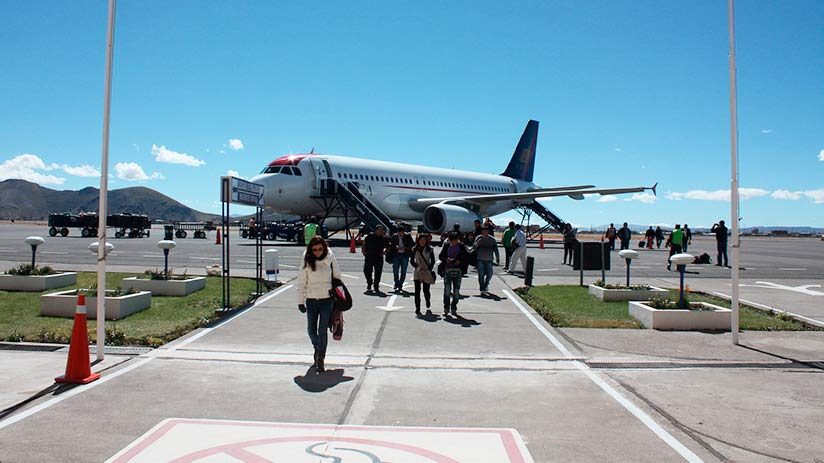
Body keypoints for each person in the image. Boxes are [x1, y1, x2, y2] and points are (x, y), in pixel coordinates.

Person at [297, 236, 341, 373]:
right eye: (314, 250)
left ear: (324, 248)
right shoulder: (307, 259)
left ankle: (321, 357)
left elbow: (337, 278)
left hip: (327, 300)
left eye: (320, 249)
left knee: (322, 330)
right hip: (311, 299)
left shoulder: (330, 258)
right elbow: (301, 281)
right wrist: (300, 301)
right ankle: (317, 347)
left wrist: (339, 299)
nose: (317, 252)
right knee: (311, 330)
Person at [439, 232, 468, 316]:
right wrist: (446, 259)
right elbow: (441, 256)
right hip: (447, 270)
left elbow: (466, 257)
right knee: (447, 290)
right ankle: (446, 307)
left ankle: (454, 306)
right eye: (451, 241)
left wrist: (459, 261)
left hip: (458, 271)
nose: (453, 242)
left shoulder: (461, 247)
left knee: (456, 291)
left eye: (455, 240)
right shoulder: (447, 246)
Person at [411, 233, 435, 315]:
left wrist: (429, 269)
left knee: (426, 290)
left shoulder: (430, 249)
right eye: (421, 240)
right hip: (417, 271)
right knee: (417, 292)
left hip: (426, 271)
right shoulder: (414, 249)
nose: (422, 242)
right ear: (418, 241)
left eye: (424, 240)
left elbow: (433, 261)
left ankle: (427, 300)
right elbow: (411, 261)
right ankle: (417, 308)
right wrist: (416, 266)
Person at [473, 226, 500, 295]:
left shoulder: (492, 239)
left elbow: (495, 249)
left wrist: (497, 258)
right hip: (480, 259)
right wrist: (478, 243)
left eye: (486, 231)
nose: (484, 233)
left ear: (488, 232)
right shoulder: (478, 238)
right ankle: (482, 288)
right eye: (483, 231)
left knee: (490, 274)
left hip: (489, 259)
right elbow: (474, 247)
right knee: (481, 275)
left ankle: (486, 283)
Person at [362, 225, 388, 294]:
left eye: (382, 230)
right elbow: (364, 243)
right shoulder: (370, 236)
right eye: (379, 230)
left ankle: (376, 286)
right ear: (376, 230)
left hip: (378, 257)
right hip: (369, 256)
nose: (381, 231)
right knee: (366, 271)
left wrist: (384, 252)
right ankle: (369, 282)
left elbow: (388, 246)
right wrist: (363, 251)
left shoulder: (384, 238)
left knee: (378, 273)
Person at [388, 226, 414, 292]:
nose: (400, 234)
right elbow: (391, 244)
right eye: (399, 233)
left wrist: (405, 248)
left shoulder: (407, 236)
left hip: (405, 255)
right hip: (396, 255)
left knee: (403, 270)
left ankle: (400, 284)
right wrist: (395, 246)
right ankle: (396, 283)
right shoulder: (395, 236)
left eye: (402, 233)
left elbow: (412, 244)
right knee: (395, 270)